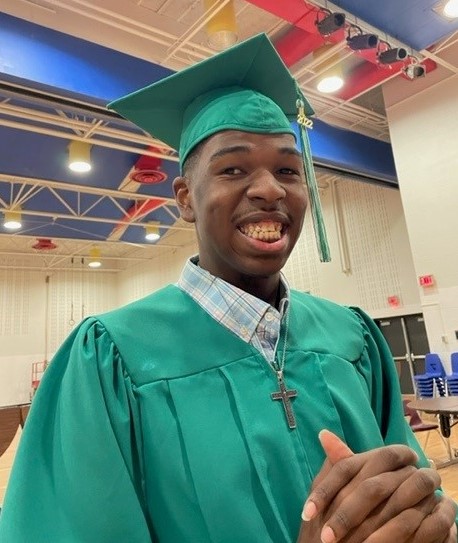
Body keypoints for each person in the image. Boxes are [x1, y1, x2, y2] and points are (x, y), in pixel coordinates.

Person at [0, 33, 456, 543]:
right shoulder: (110, 360)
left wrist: (430, 524)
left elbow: (412, 498)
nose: (269, 188)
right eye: (233, 169)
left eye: (289, 169)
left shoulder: (352, 339)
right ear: (185, 198)